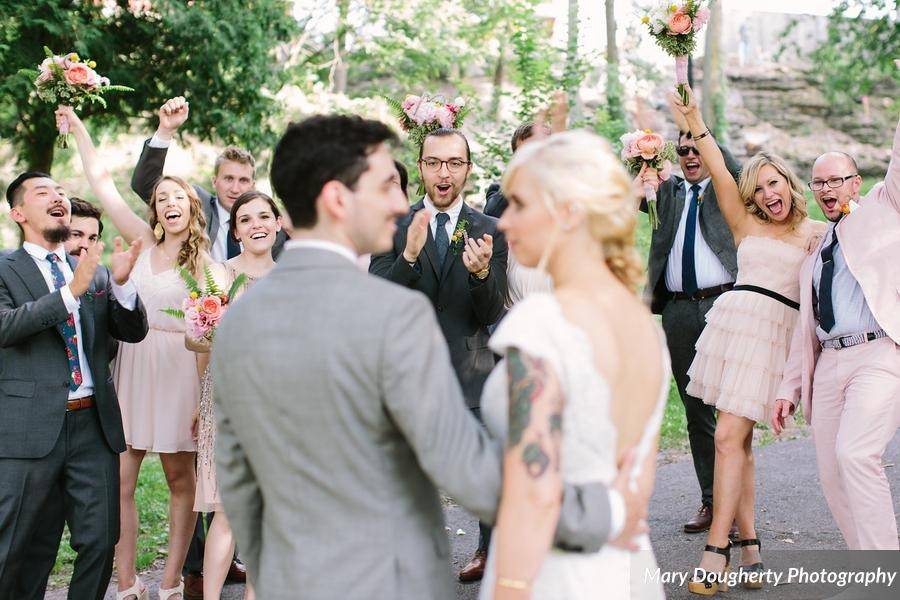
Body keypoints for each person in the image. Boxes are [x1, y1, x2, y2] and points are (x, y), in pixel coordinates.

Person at [212, 114, 649, 600]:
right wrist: (600, 512)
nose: (401, 201)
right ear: (338, 199)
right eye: (385, 187)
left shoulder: (238, 321)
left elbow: (237, 479)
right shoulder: (392, 314)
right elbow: (464, 464)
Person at [480, 129, 667, 599]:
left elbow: (534, 489)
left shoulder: (544, 321)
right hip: (626, 569)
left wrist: (510, 587)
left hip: (551, 574)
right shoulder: (640, 322)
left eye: (519, 204)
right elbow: (640, 476)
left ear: (568, 212)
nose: (503, 222)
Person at [668, 86, 826, 595]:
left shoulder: (815, 234)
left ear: (789, 184)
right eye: (759, 189)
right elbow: (715, 166)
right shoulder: (744, 224)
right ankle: (750, 547)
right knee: (738, 442)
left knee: (727, 438)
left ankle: (717, 552)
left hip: (775, 338)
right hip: (735, 330)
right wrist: (695, 121)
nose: (767, 195)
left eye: (774, 183)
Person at [62, 105, 207, 600]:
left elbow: (214, 333)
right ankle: (127, 583)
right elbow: (101, 183)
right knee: (122, 475)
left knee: (178, 477)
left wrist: (203, 398)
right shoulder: (140, 241)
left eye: (177, 197)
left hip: (180, 369)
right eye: (160, 196)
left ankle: (169, 581)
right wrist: (80, 128)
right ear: (154, 209)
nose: (168, 202)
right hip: (134, 365)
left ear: (191, 207)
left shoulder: (208, 266)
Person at [0, 172, 148, 600]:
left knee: (101, 540)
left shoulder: (95, 273)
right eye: (43, 192)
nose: (57, 197)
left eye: (61, 192)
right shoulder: (6, 269)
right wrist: (70, 292)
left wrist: (119, 284)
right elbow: (6, 326)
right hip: (27, 430)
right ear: (19, 213)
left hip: (92, 427)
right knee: (18, 547)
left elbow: (131, 333)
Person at [369, 127, 508, 580]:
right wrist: (408, 257)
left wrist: (482, 273)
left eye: (453, 163)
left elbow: (492, 310)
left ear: (468, 169)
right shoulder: (393, 225)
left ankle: (488, 553)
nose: (443, 172)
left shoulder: (489, 228)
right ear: (422, 166)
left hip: (472, 371)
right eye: (434, 163)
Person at [774, 115, 900, 551]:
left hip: (878, 353)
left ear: (855, 183)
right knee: (832, 473)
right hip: (828, 363)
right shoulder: (815, 251)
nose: (825, 189)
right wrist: (789, 388)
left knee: (856, 455)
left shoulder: (883, 210)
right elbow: (803, 328)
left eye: (835, 180)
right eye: (817, 183)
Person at [634, 94, 741, 535]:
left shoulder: (724, 188)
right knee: (697, 412)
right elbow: (626, 184)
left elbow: (730, 165)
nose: (691, 155)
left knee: (729, 413)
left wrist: (697, 125)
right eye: (684, 149)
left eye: (697, 148)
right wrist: (640, 150)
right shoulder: (668, 193)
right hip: (677, 312)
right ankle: (711, 502)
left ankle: (738, 509)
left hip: (723, 306)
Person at [189, 190, 282, 600]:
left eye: (264, 216)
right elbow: (194, 342)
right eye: (246, 219)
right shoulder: (218, 275)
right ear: (236, 231)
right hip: (228, 402)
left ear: (279, 224)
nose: (256, 225)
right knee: (228, 512)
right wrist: (214, 329)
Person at [131, 96, 285, 271]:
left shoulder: (271, 224)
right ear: (214, 181)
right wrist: (165, 131)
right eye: (228, 179)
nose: (235, 189)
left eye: (243, 180)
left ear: (253, 185)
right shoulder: (196, 203)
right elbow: (145, 184)